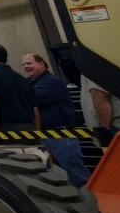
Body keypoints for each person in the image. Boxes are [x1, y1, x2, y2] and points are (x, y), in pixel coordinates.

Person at [22, 52, 89, 187]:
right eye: (23, 64)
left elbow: (32, 100)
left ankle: (91, 197)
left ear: (41, 64)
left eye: (29, 63)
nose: (25, 67)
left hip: (59, 136)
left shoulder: (51, 82)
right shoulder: (30, 83)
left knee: (75, 174)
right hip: (44, 135)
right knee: (56, 176)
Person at [0, 42, 37, 133]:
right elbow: (35, 111)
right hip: (29, 129)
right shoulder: (22, 79)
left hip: (6, 131)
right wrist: (37, 133)